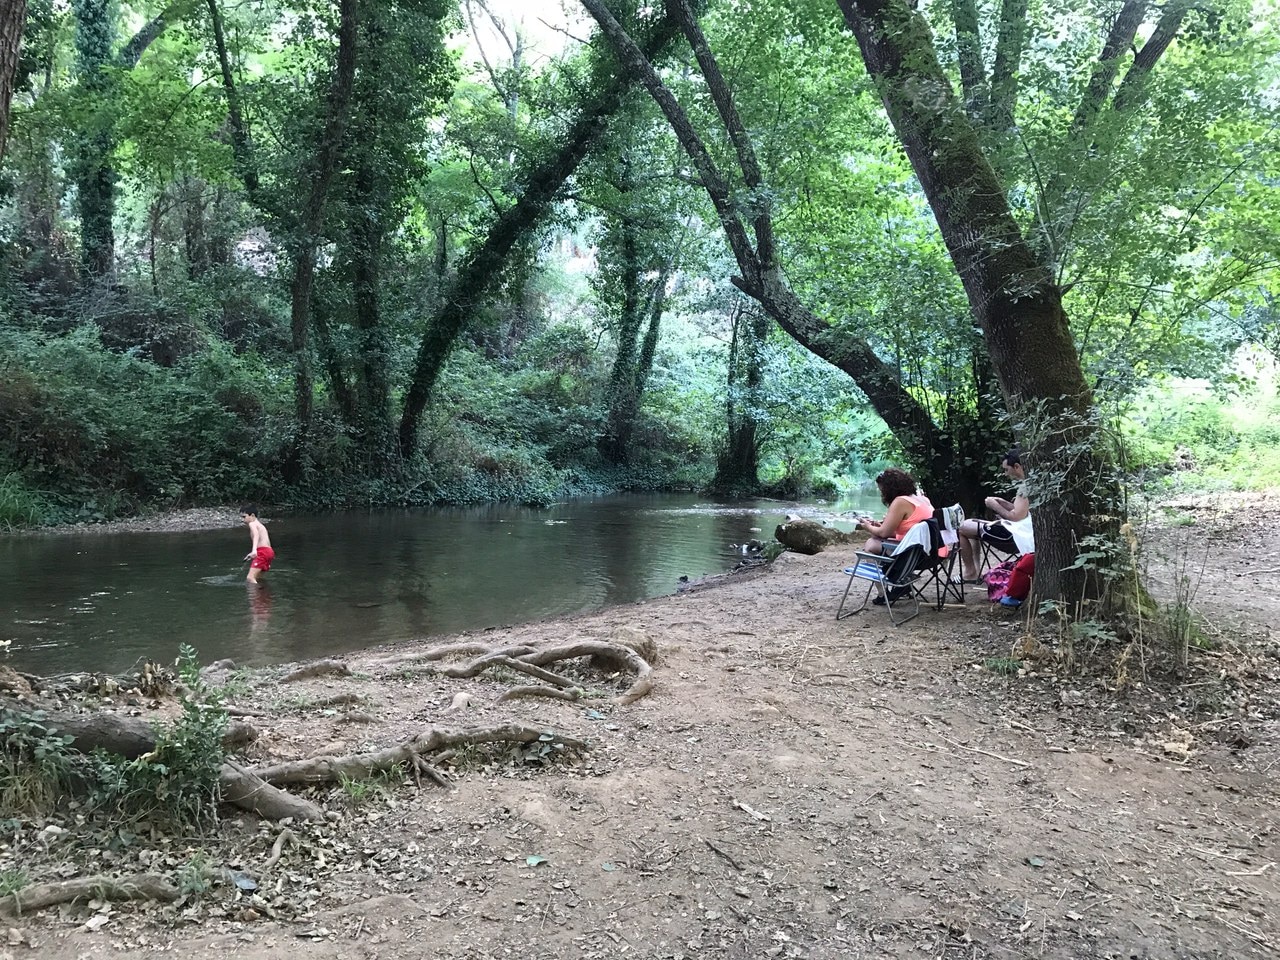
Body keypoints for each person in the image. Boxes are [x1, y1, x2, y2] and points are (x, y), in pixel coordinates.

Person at [958, 449, 1034, 583]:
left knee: (963, 527)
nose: (1005, 474)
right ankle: (974, 571)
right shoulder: (1034, 481)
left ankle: (971, 572)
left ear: (1016, 466)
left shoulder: (1026, 486)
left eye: (1006, 469)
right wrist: (1004, 503)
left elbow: (1016, 517)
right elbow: (1023, 511)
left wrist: (995, 506)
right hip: (1021, 531)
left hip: (1014, 535)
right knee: (970, 524)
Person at [855, 468, 934, 555]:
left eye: (882, 491)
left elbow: (883, 533)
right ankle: (886, 567)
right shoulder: (923, 499)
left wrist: (868, 527)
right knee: (877, 538)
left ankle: (881, 569)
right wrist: (881, 527)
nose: (882, 495)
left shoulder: (900, 501)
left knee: (871, 543)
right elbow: (911, 532)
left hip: (916, 554)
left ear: (889, 490)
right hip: (933, 550)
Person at [240, 505, 274, 584]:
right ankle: (264, 595)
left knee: (250, 578)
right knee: (258, 578)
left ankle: (254, 596)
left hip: (262, 552)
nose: (243, 520)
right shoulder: (260, 525)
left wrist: (254, 551)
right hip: (269, 551)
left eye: (244, 517)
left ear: (252, 515)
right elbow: (266, 542)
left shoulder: (252, 524)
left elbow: (256, 535)